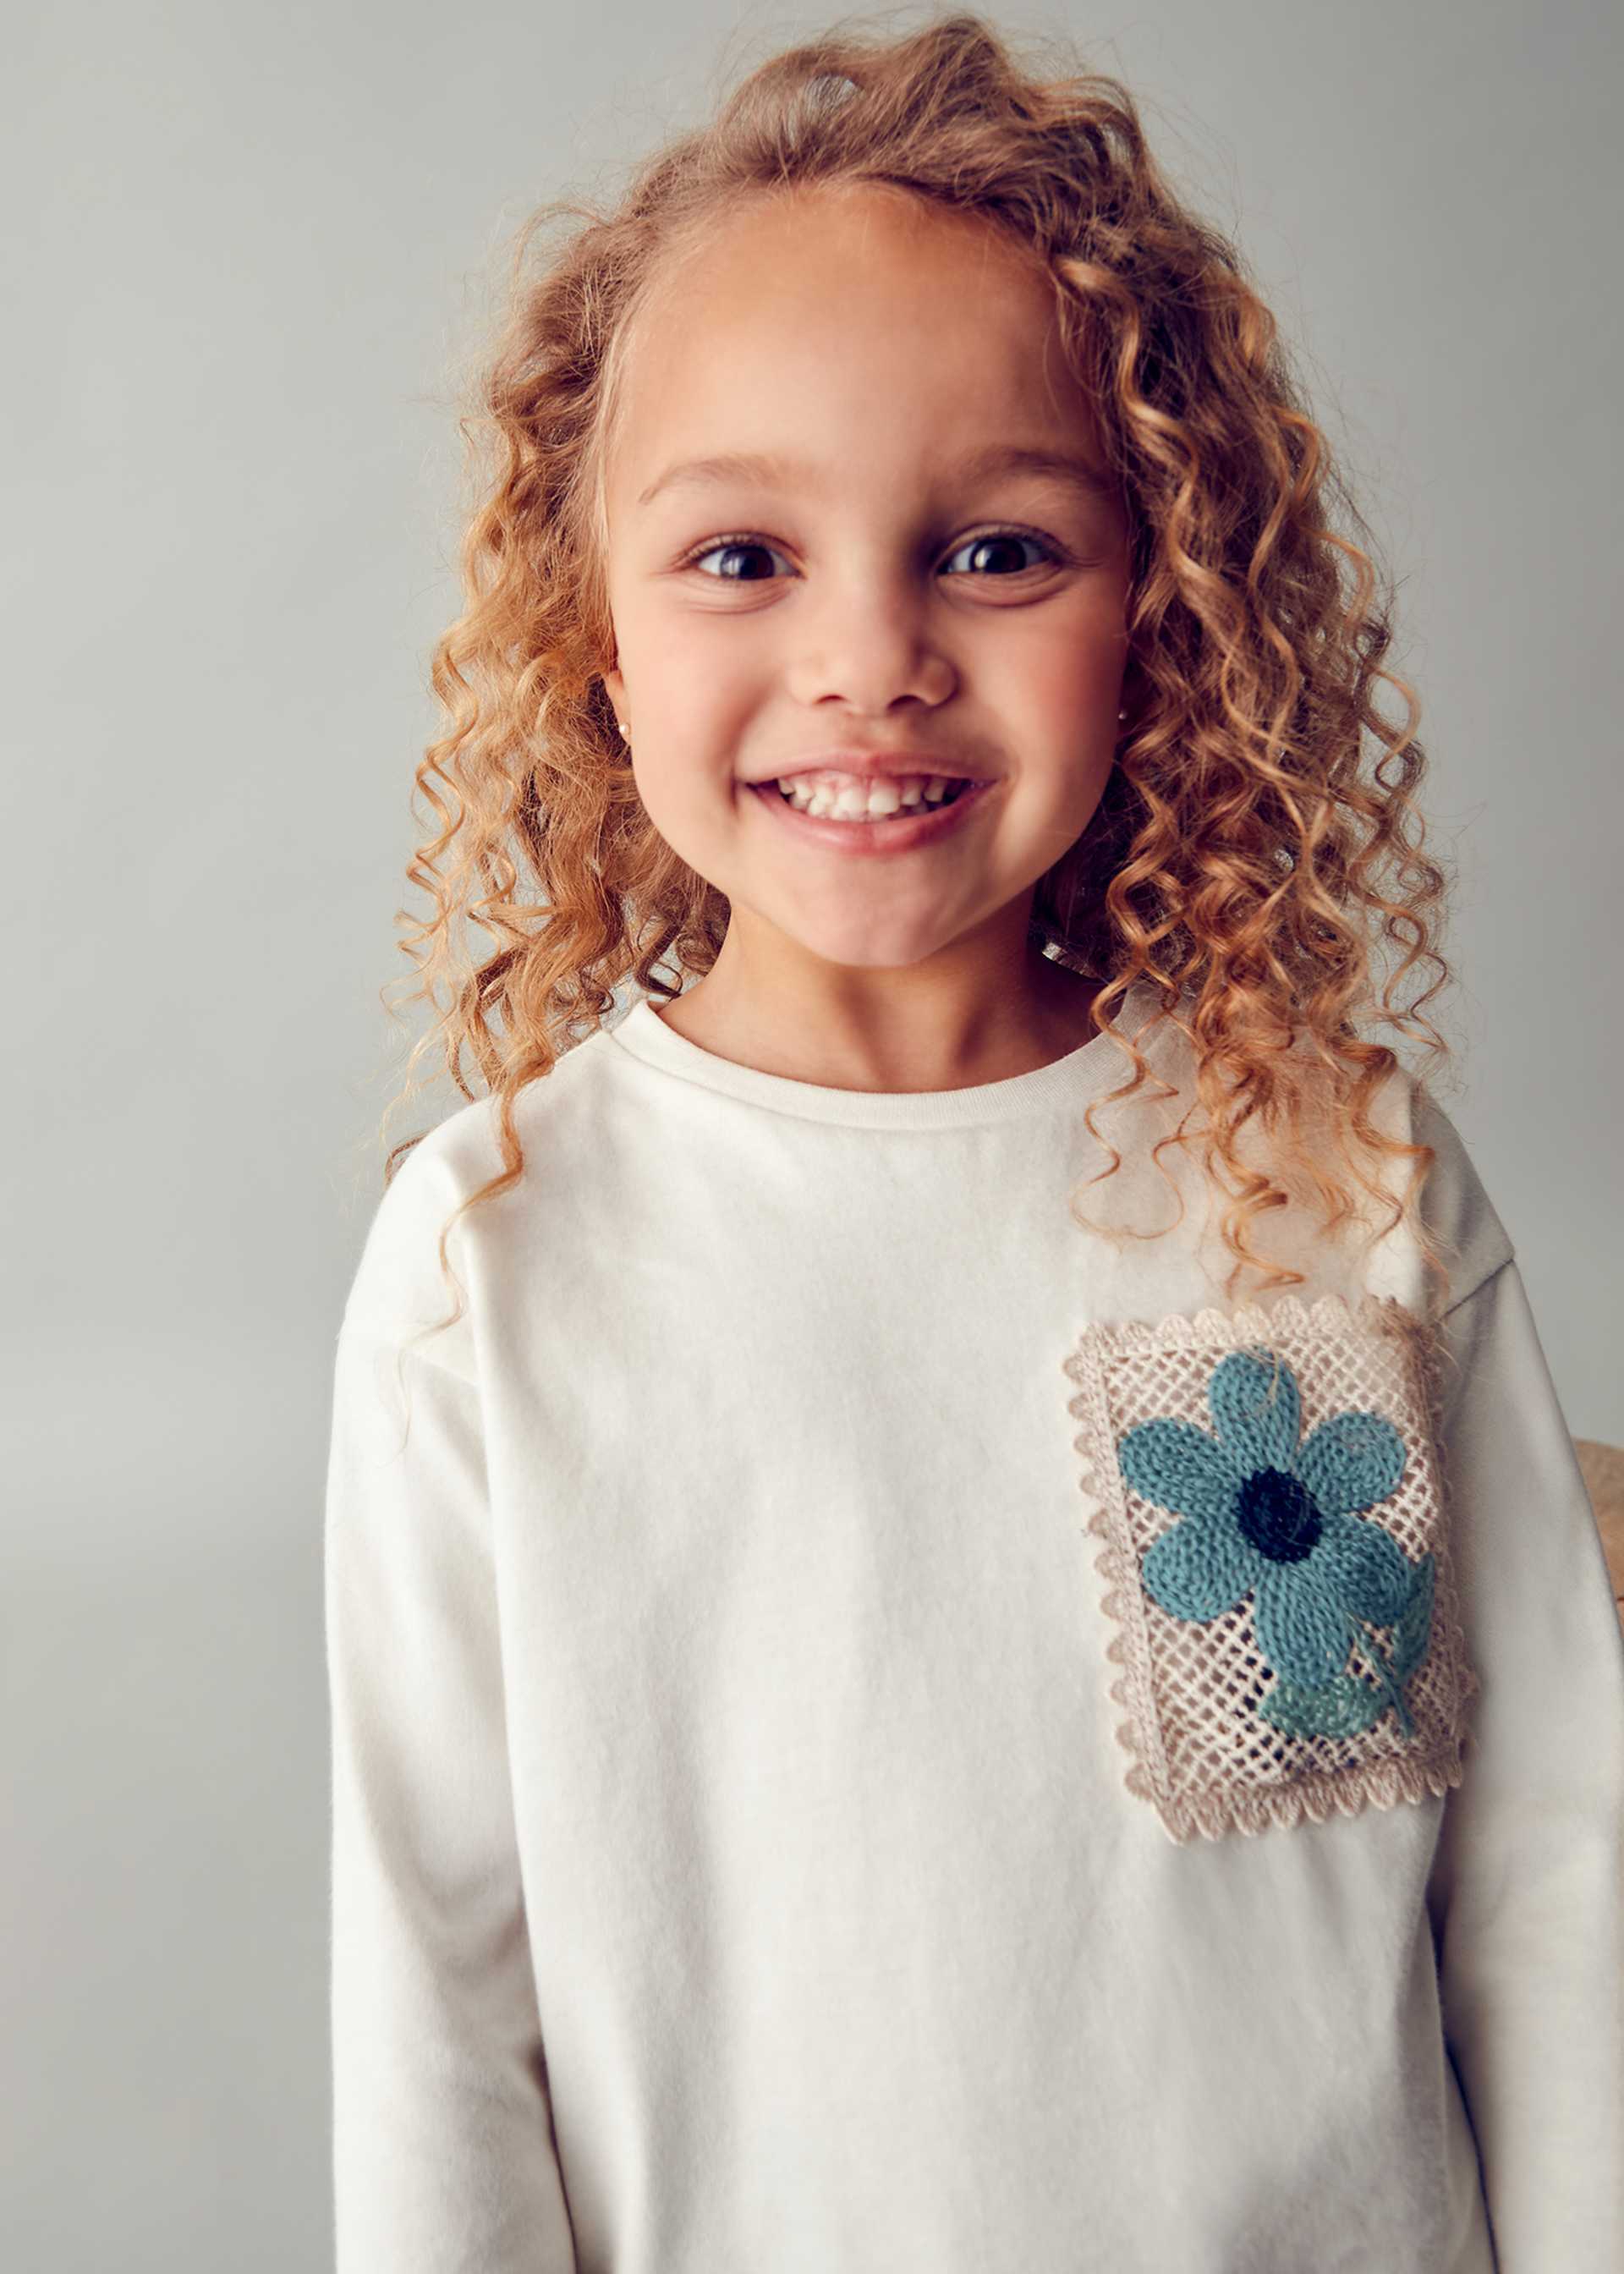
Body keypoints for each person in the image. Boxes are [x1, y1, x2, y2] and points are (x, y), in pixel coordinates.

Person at [321, 15, 1624, 2271]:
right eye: (742, 555)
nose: (869, 658)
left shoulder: (1339, 1185)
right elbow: (442, 2027)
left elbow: (1554, 1889)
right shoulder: (497, 1261)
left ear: (1169, 616)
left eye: (999, 549)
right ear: (597, 637)